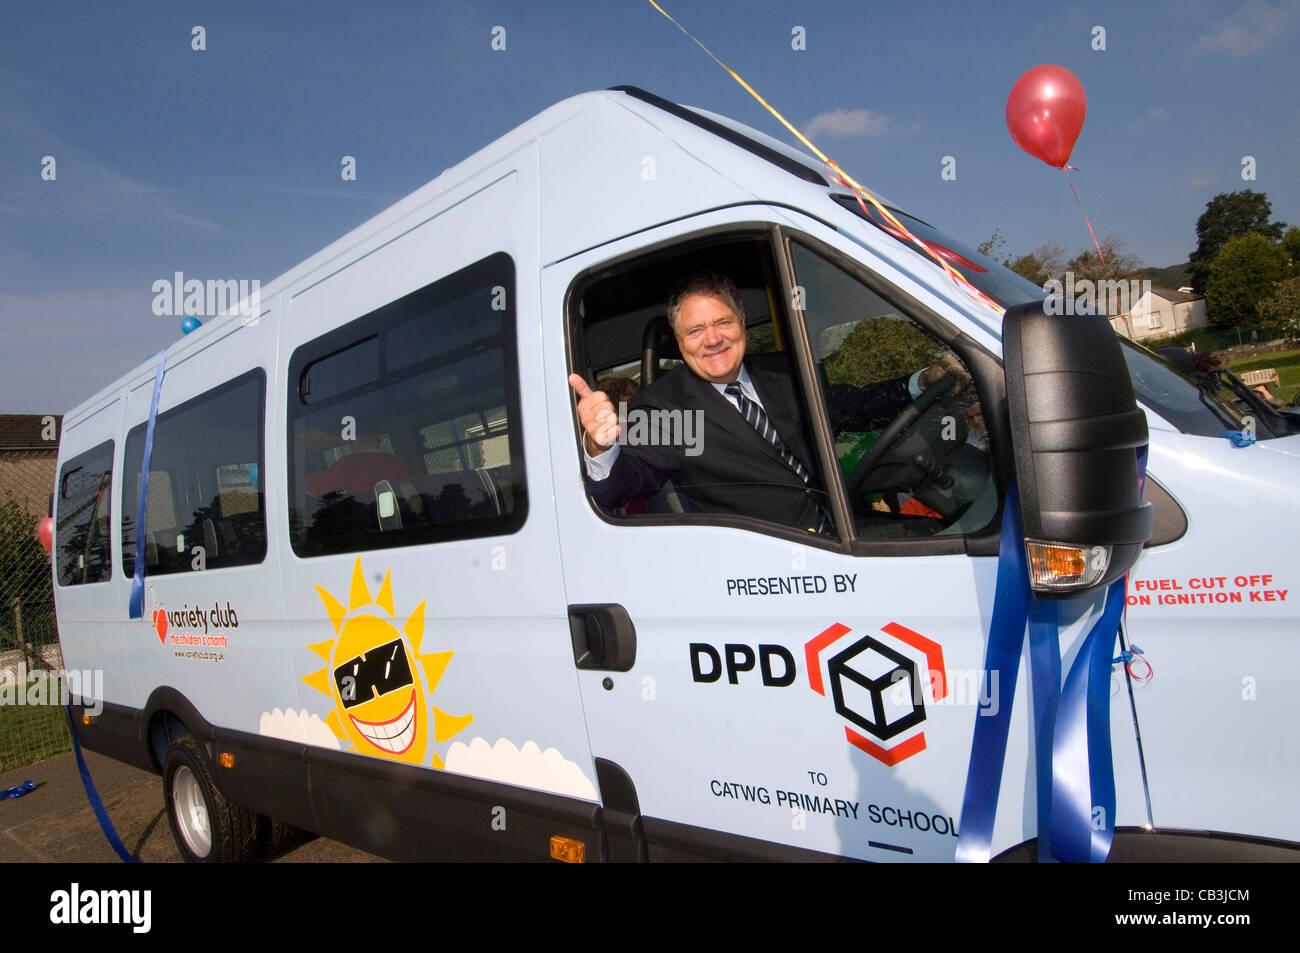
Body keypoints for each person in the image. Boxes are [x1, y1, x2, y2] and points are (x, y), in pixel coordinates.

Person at [568, 273, 960, 534]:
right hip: (769, 566)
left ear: (741, 320)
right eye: (695, 330)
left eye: (723, 322)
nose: (712, 339)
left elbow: (851, 405)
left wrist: (920, 381)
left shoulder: (786, 370)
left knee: (941, 535)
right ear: (679, 339)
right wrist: (600, 446)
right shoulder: (668, 406)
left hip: (847, 528)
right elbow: (620, 488)